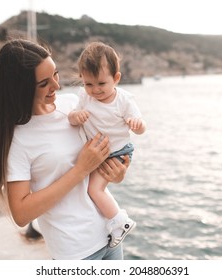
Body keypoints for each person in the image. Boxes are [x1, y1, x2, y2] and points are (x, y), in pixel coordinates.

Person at [0, 38, 130, 260]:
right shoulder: (18, 139)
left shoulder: (73, 104)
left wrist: (117, 173)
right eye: (44, 84)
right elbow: (21, 214)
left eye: (55, 74)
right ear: (22, 88)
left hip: (111, 235)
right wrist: (80, 169)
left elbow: (99, 160)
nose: (57, 85)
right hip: (75, 251)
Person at [68, 42, 146, 248]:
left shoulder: (124, 101)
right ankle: (108, 222)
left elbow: (140, 127)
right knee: (87, 187)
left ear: (116, 79)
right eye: (88, 84)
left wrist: (136, 125)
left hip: (118, 152)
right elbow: (72, 117)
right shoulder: (84, 97)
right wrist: (77, 116)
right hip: (99, 152)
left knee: (94, 190)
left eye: (101, 84)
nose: (95, 90)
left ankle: (121, 222)